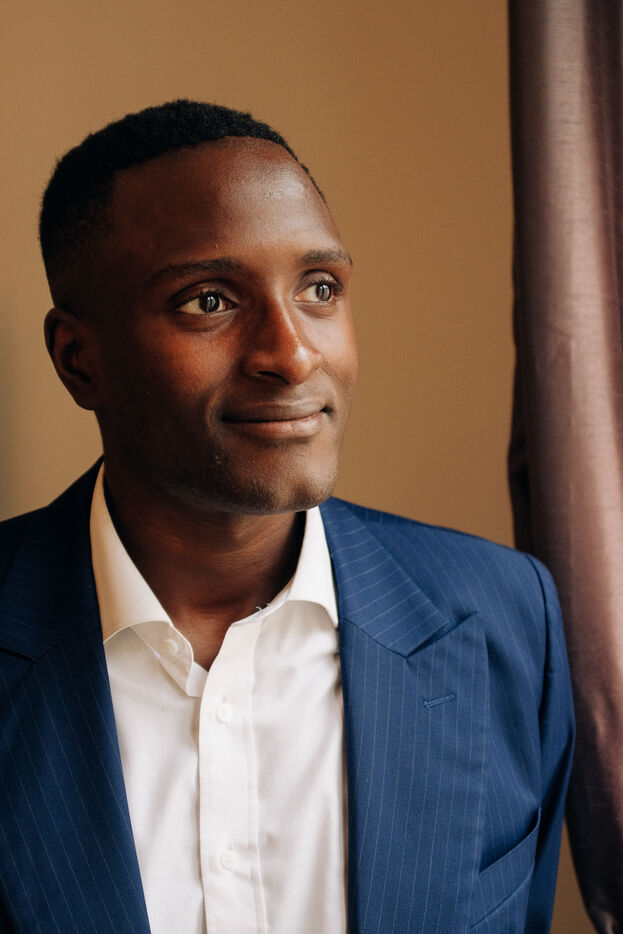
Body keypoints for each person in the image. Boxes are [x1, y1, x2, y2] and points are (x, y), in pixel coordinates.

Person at [0, 100, 573, 934]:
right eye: (208, 301)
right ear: (78, 360)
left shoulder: (504, 616)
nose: (294, 353)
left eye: (318, 289)